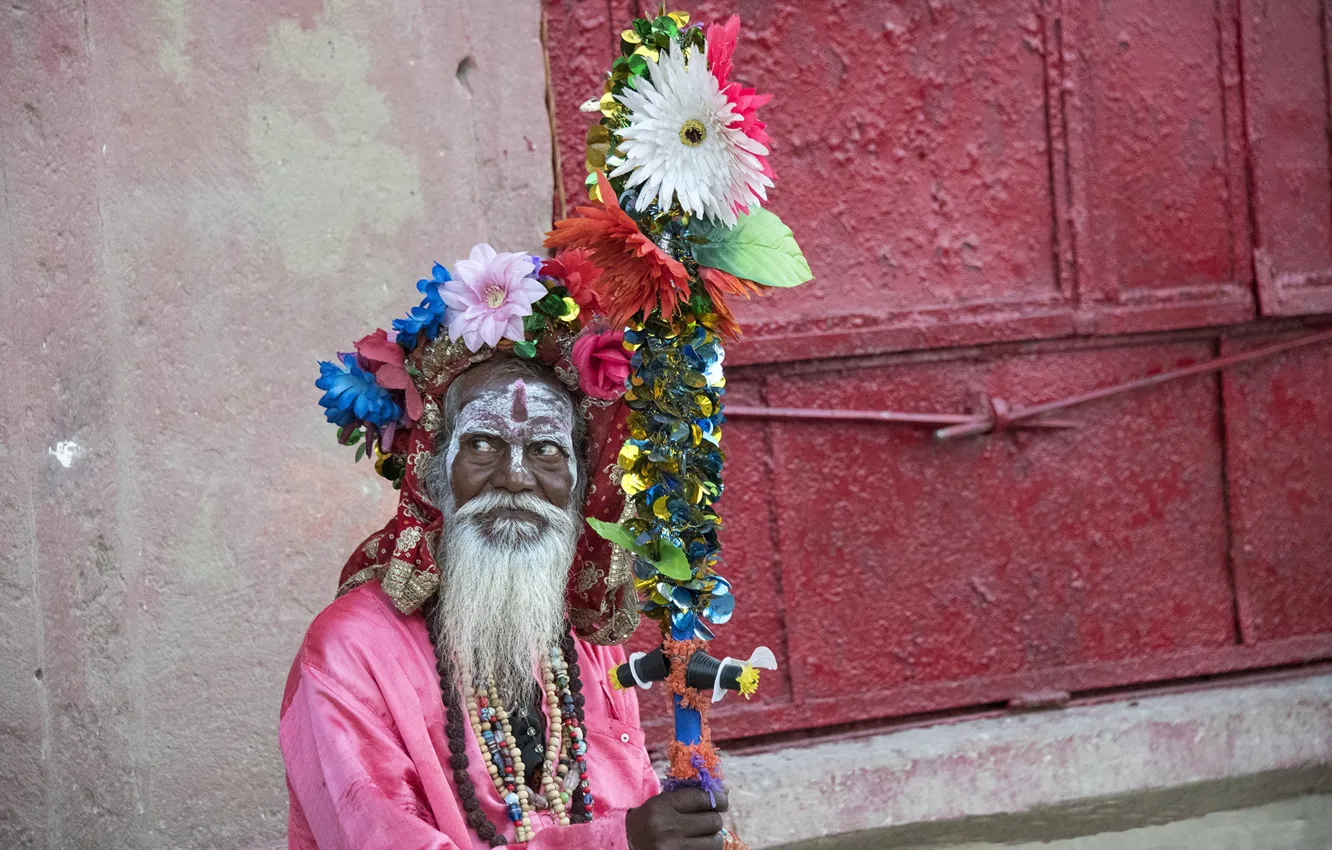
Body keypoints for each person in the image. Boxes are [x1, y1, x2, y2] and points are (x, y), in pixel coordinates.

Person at [280, 354, 728, 850]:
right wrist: (622, 842)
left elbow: (624, 802)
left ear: (580, 483)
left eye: (546, 450)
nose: (515, 477)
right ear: (432, 470)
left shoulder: (584, 639)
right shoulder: (350, 647)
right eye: (482, 444)